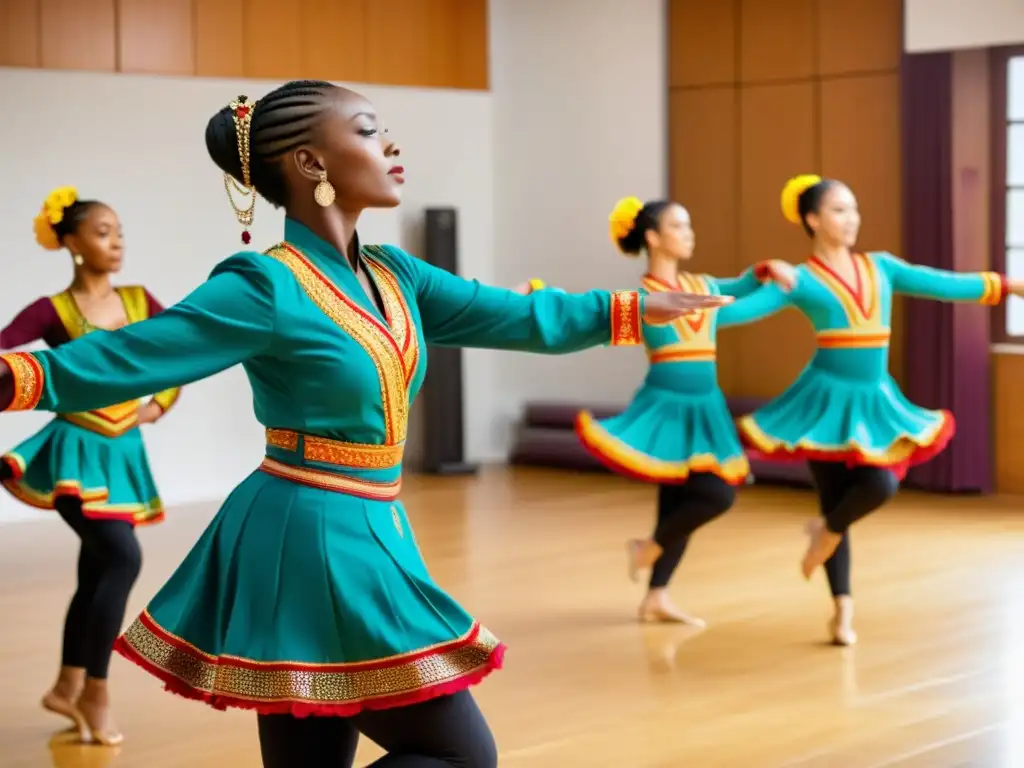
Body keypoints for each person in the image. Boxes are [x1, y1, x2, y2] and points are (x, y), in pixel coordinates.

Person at [0, 81, 732, 767]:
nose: (391, 147)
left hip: (367, 524)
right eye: (369, 131)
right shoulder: (266, 283)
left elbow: (519, 316)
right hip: (306, 531)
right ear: (311, 161)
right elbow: (133, 355)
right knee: (463, 755)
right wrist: (14, 377)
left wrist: (629, 309)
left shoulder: (395, 274)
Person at [724, 174, 1021, 645]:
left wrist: (1010, 285)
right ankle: (842, 611)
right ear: (812, 219)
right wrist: (697, 301)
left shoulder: (880, 266)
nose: (852, 219)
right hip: (822, 403)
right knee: (835, 496)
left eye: (854, 209)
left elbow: (944, 284)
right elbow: (737, 313)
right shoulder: (798, 280)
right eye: (839, 210)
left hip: (874, 399)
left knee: (878, 483)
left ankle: (826, 532)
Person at [520, 197, 797, 626]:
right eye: (679, 226)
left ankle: (656, 596)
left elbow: (741, 286)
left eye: (689, 225)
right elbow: (586, 312)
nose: (689, 233)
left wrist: (763, 270)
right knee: (716, 493)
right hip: (666, 406)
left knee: (678, 499)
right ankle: (648, 548)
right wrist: (542, 295)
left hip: (706, 408)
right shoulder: (640, 298)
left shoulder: (703, 284)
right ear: (653, 237)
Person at [0, 188, 180, 745]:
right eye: (103, 231)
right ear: (72, 243)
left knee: (98, 570)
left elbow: (181, 350)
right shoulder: (52, 310)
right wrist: (41, 381)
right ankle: (96, 690)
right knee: (122, 560)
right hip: (71, 455)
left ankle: (66, 685)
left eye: (119, 230)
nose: (116, 241)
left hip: (124, 458)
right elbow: (5, 347)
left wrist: (157, 405)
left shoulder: (138, 300)